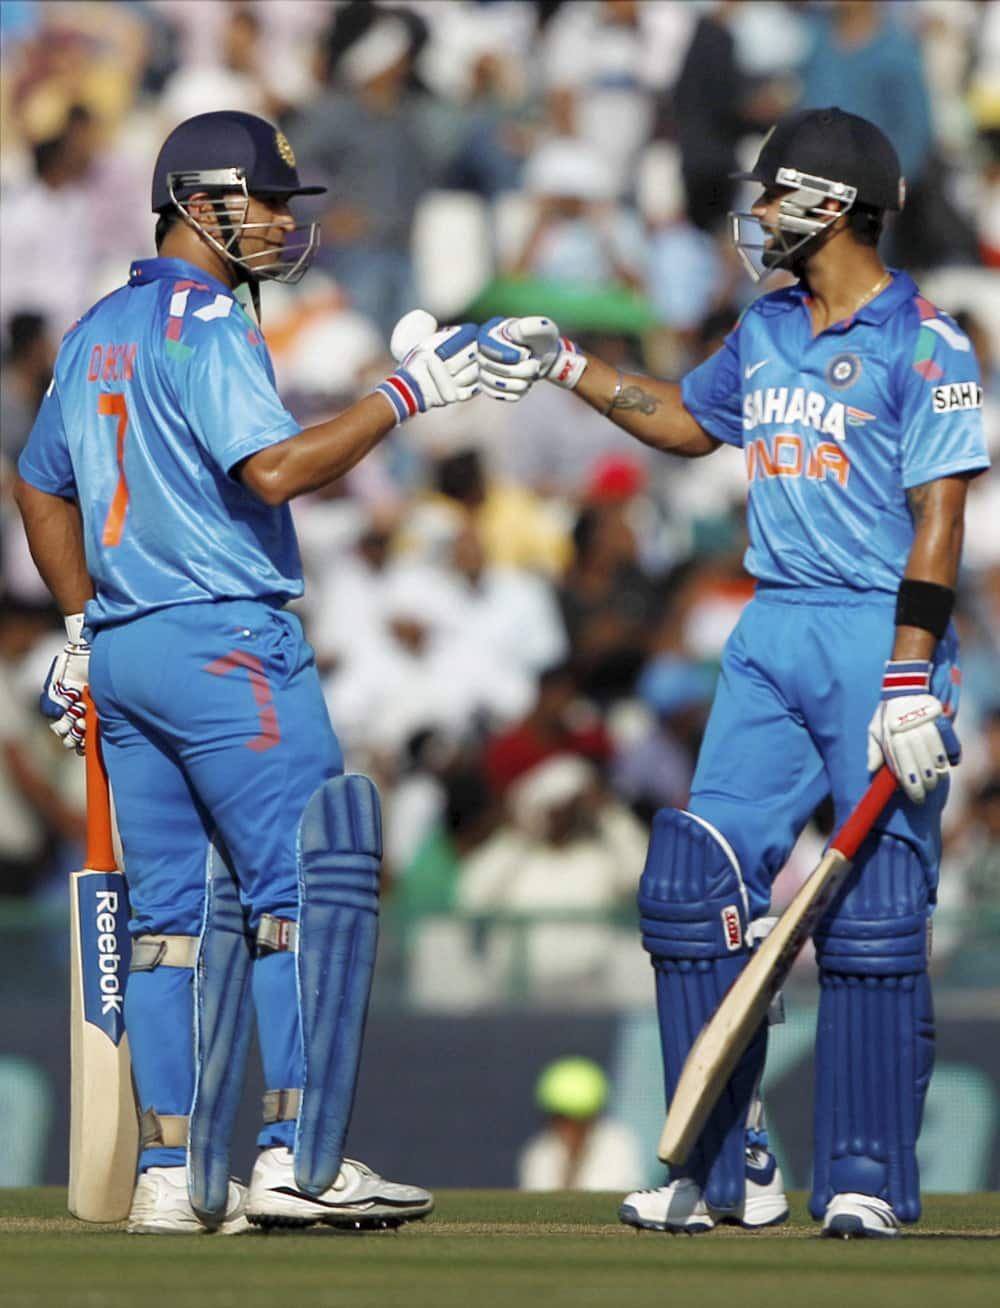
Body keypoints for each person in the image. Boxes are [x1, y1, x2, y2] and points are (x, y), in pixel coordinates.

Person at [477, 106, 990, 1238]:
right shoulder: (763, 326)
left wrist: (910, 676)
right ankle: (723, 1160)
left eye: (772, 194)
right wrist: (568, 363)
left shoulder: (927, 341)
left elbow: (939, 517)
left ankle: (864, 1176)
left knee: (874, 916)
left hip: (874, 635)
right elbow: (684, 424)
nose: (755, 215)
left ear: (831, 205)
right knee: (691, 885)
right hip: (770, 629)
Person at [13, 109, 478, 1235]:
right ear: (201, 201)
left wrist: (79, 627)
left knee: (168, 924)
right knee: (304, 898)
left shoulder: (93, 326)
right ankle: (294, 1159)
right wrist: (406, 395)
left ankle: (171, 1178)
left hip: (124, 652)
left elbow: (37, 485)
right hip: (228, 643)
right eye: (263, 200)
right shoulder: (209, 316)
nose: (278, 221)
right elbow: (270, 471)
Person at [517, 1056, 643, 1192]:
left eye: (577, 1121)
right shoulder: (538, 1153)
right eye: (559, 1119)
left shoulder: (619, 1144)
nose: (567, 1130)